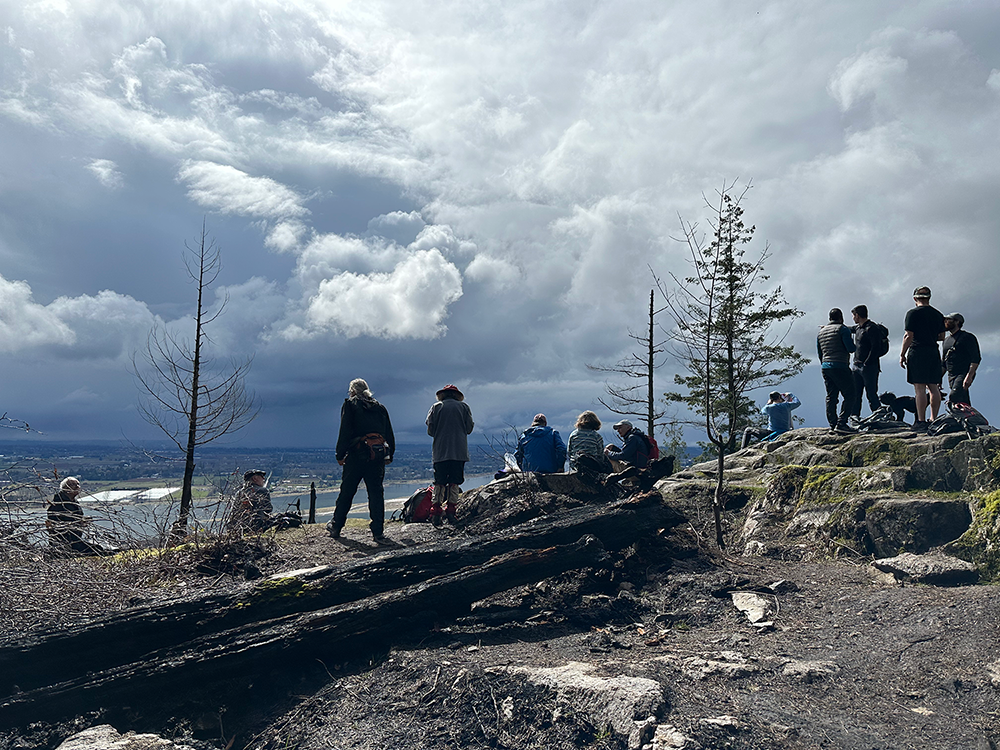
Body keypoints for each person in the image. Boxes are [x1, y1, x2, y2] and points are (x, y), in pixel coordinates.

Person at [329, 378, 395, 543]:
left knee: (347, 492)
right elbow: (389, 432)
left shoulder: (350, 406)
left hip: (356, 456)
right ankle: (378, 532)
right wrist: (389, 454)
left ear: (352, 391)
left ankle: (336, 527)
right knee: (376, 494)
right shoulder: (380, 408)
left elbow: (344, 431)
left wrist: (340, 454)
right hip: (377, 457)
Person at [426, 384, 475, 526]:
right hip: (458, 451)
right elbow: (469, 428)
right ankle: (451, 512)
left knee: (439, 482)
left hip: (440, 451)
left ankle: (435, 513)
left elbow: (430, 431)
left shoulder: (436, 407)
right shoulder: (464, 407)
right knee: (454, 482)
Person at [899, 286, 946, 428]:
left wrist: (902, 354)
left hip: (918, 350)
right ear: (929, 298)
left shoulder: (912, 313)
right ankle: (934, 418)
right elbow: (942, 336)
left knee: (919, 388)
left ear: (915, 298)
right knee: (933, 387)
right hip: (933, 351)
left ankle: (921, 420)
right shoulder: (938, 314)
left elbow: (909, 335)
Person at [817, 308, 857, 434]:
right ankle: (842, 423)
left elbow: (819, 353)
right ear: (841, 318)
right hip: (840, 366)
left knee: (831, 396)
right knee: (851, 394)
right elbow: (850, 348)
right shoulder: (842, 329)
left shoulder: (821, 332)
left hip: (825, 367)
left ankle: (832, 425)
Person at [46, 477, 106, 556]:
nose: (78, 487)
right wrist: (78, 523)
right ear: (66, 488)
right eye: (74, 485)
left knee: (101, 548)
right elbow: (56, 526)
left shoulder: (74, 503)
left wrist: (82, 522)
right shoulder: (57, 504)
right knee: (98, 551)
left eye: (78, 484)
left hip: (76, 540)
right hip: (64, 544)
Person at [849, 305, 882, 421]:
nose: (853, 318)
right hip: (856, 366)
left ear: (857, 315)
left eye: (853, 315)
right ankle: (854, 417)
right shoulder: (858, 328)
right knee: (856, 393)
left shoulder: (872, 328)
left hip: (869, 366)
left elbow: (876, 347)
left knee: (871, 393)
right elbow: (848, 328)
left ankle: (878, 416)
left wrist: (867, 363)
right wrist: (830, 326)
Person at [942, 312, 981, 406]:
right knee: (962, 400)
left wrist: (969, 376)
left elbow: (976, 358)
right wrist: (938, 378)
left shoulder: (967, 337)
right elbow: (944, 363)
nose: (945, 322)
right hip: (951, 375)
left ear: (957, 322)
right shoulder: (946, 341)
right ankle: (968, 419)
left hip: (963, 373)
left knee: (954, 397)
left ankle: (959, 418)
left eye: (948, 320)